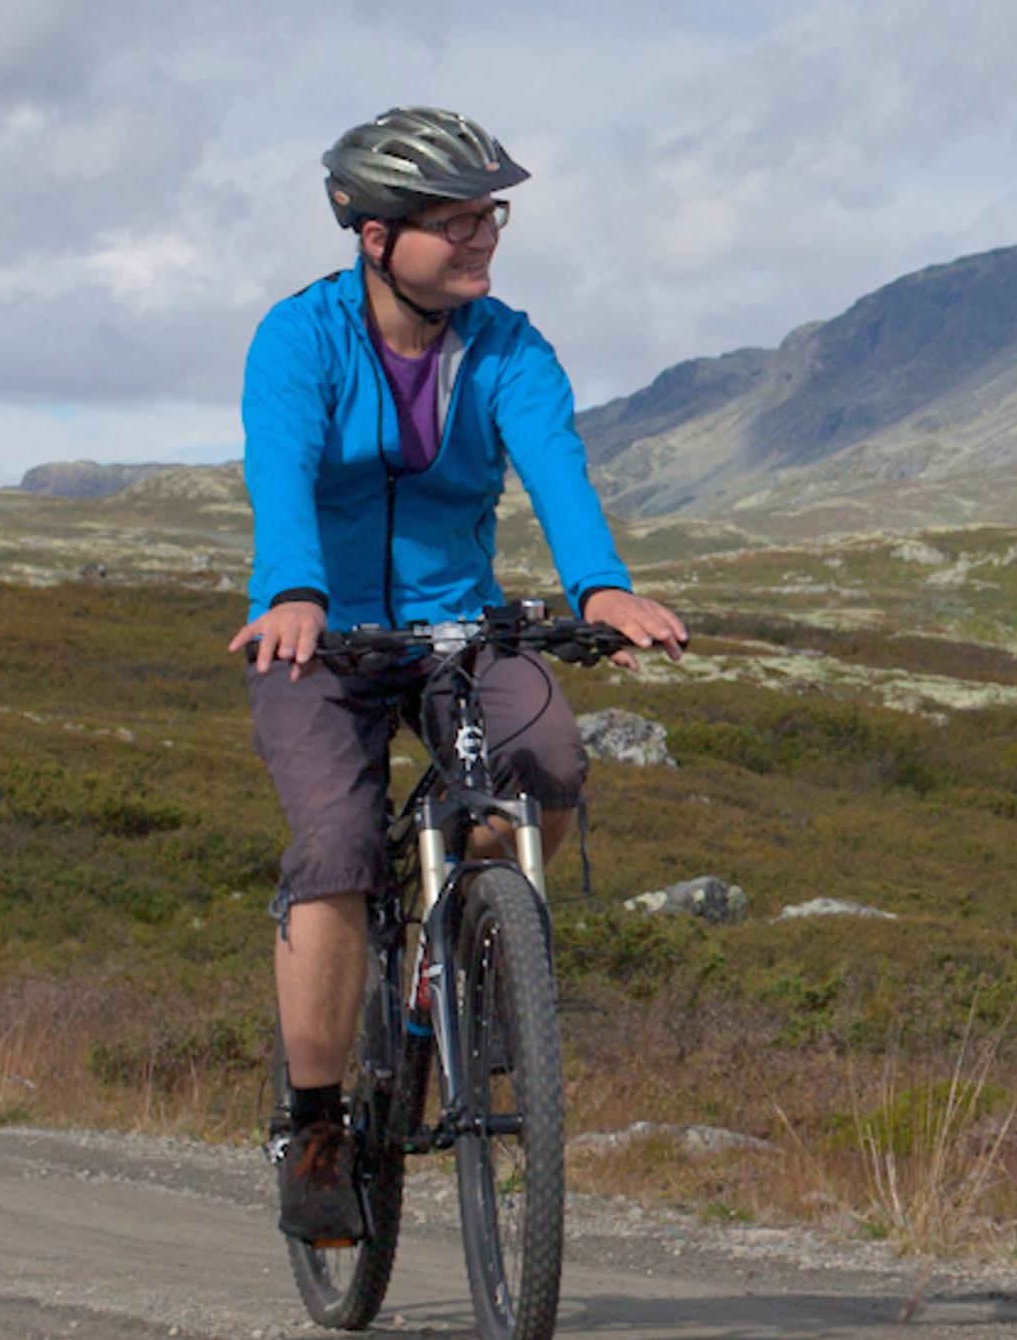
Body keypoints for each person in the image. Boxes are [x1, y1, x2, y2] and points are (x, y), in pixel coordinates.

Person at [232, 106, 689, 1243]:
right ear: (375, 235)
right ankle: (319, 1121)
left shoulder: (511, 348)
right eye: (453, 222)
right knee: (335, 849)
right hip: (321, 635)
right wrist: (294, 588)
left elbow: (557, 468)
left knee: (546, 758)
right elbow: (279, 469)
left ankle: (469, 955)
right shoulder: (300, 339)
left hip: (457, 623)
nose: (482, 238)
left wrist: (598, 585)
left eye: (490, 215)